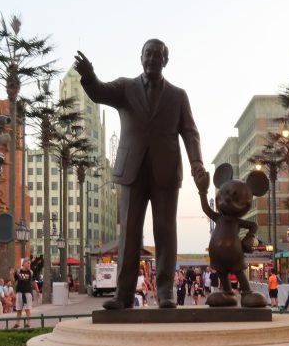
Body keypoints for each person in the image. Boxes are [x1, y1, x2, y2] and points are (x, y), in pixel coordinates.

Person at [75, 41, 210, 309]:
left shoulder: (178, 95)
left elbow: (190, 132)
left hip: (166, 172)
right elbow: (99, 91)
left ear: (165, 61)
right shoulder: (125, 87)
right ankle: (123, 295)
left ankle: (166, 293)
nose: (152, 59)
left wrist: (197, 163)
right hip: (132, 171)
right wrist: (89, 76)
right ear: (140, 57)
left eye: (158, 56)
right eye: (148, 54)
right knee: (129, 233)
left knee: (165, 232)